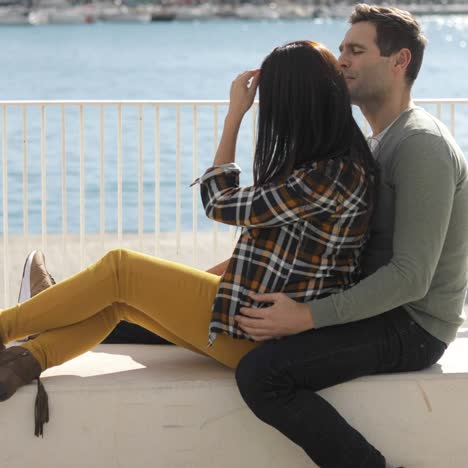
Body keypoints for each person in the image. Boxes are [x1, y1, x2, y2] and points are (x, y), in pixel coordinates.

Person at [0, 40, 377, 440]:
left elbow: (218, 202)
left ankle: (7, 326)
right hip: (256, 321)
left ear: (295, 104)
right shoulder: (332, 166)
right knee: (120, 302)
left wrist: (234, 116)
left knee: (120, 268)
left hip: (256, 335)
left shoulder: (329, 177)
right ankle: (24, 362)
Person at [233, 4, 468, 468]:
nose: (341, 60)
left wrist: (307, 317)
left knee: (262, 374)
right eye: (341, 49)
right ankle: (100, 306)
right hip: (376, 307)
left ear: (399, 61)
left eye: (356, 51)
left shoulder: (421, 144)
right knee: (229, 301)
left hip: (414, 326)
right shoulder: (378, 140)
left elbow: (411, 278)